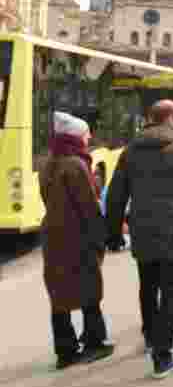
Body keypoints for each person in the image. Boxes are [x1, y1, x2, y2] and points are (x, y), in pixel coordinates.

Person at [105, 100, 173, 379]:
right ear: (169, 118)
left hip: (141, 229)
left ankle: (151, 336)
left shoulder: (130, 151)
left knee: (147, 284)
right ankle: (163, 356)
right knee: (169, 290)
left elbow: (117, 194)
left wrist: (114, 234)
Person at [40, 112, 115, 370]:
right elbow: (88, 207)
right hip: (78, 236)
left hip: (54, 236)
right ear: (74, 137)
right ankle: (95, 342)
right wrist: (100, 239)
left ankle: (65, 350)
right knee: (88, 289)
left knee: (59, 295)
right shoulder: (76, 165)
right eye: (85, 134)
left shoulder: (49, 163)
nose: (89, 137)